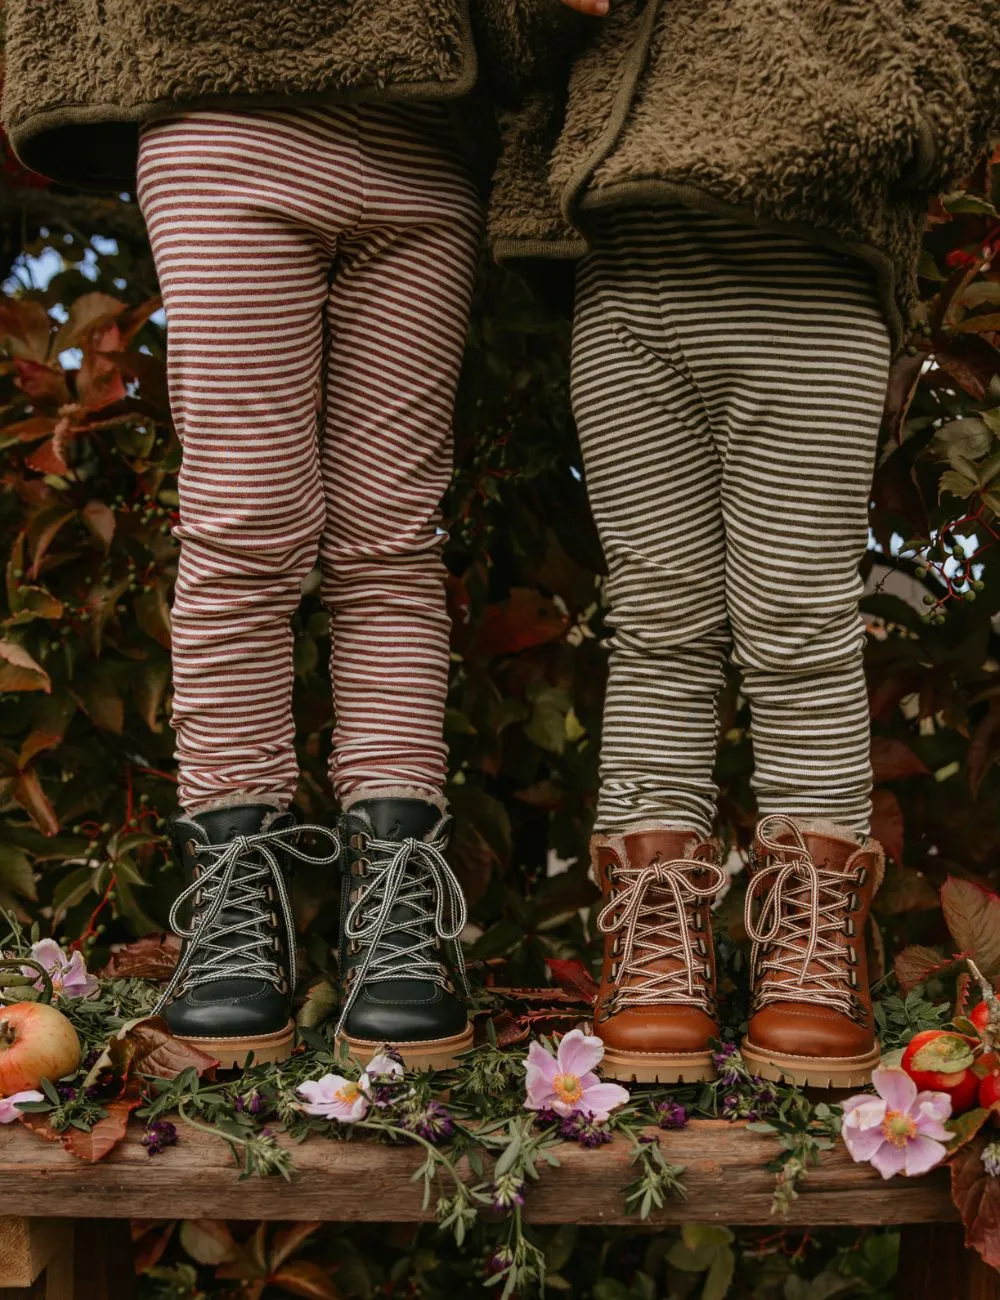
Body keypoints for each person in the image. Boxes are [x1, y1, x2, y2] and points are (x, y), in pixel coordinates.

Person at [481, 0, 1000, 1085]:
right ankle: (657, 949)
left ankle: (811, 952)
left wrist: (838, 116)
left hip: (809, 272)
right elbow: (512, 46)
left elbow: (954, 55)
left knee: (798, 622)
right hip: (625, 274)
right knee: (656, 623)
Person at [2, 0, 518, 1070]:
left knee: (392, 540)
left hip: (429, 122)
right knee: (243, 532)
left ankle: (398, 920)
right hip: (225, 100)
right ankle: (236, 909)